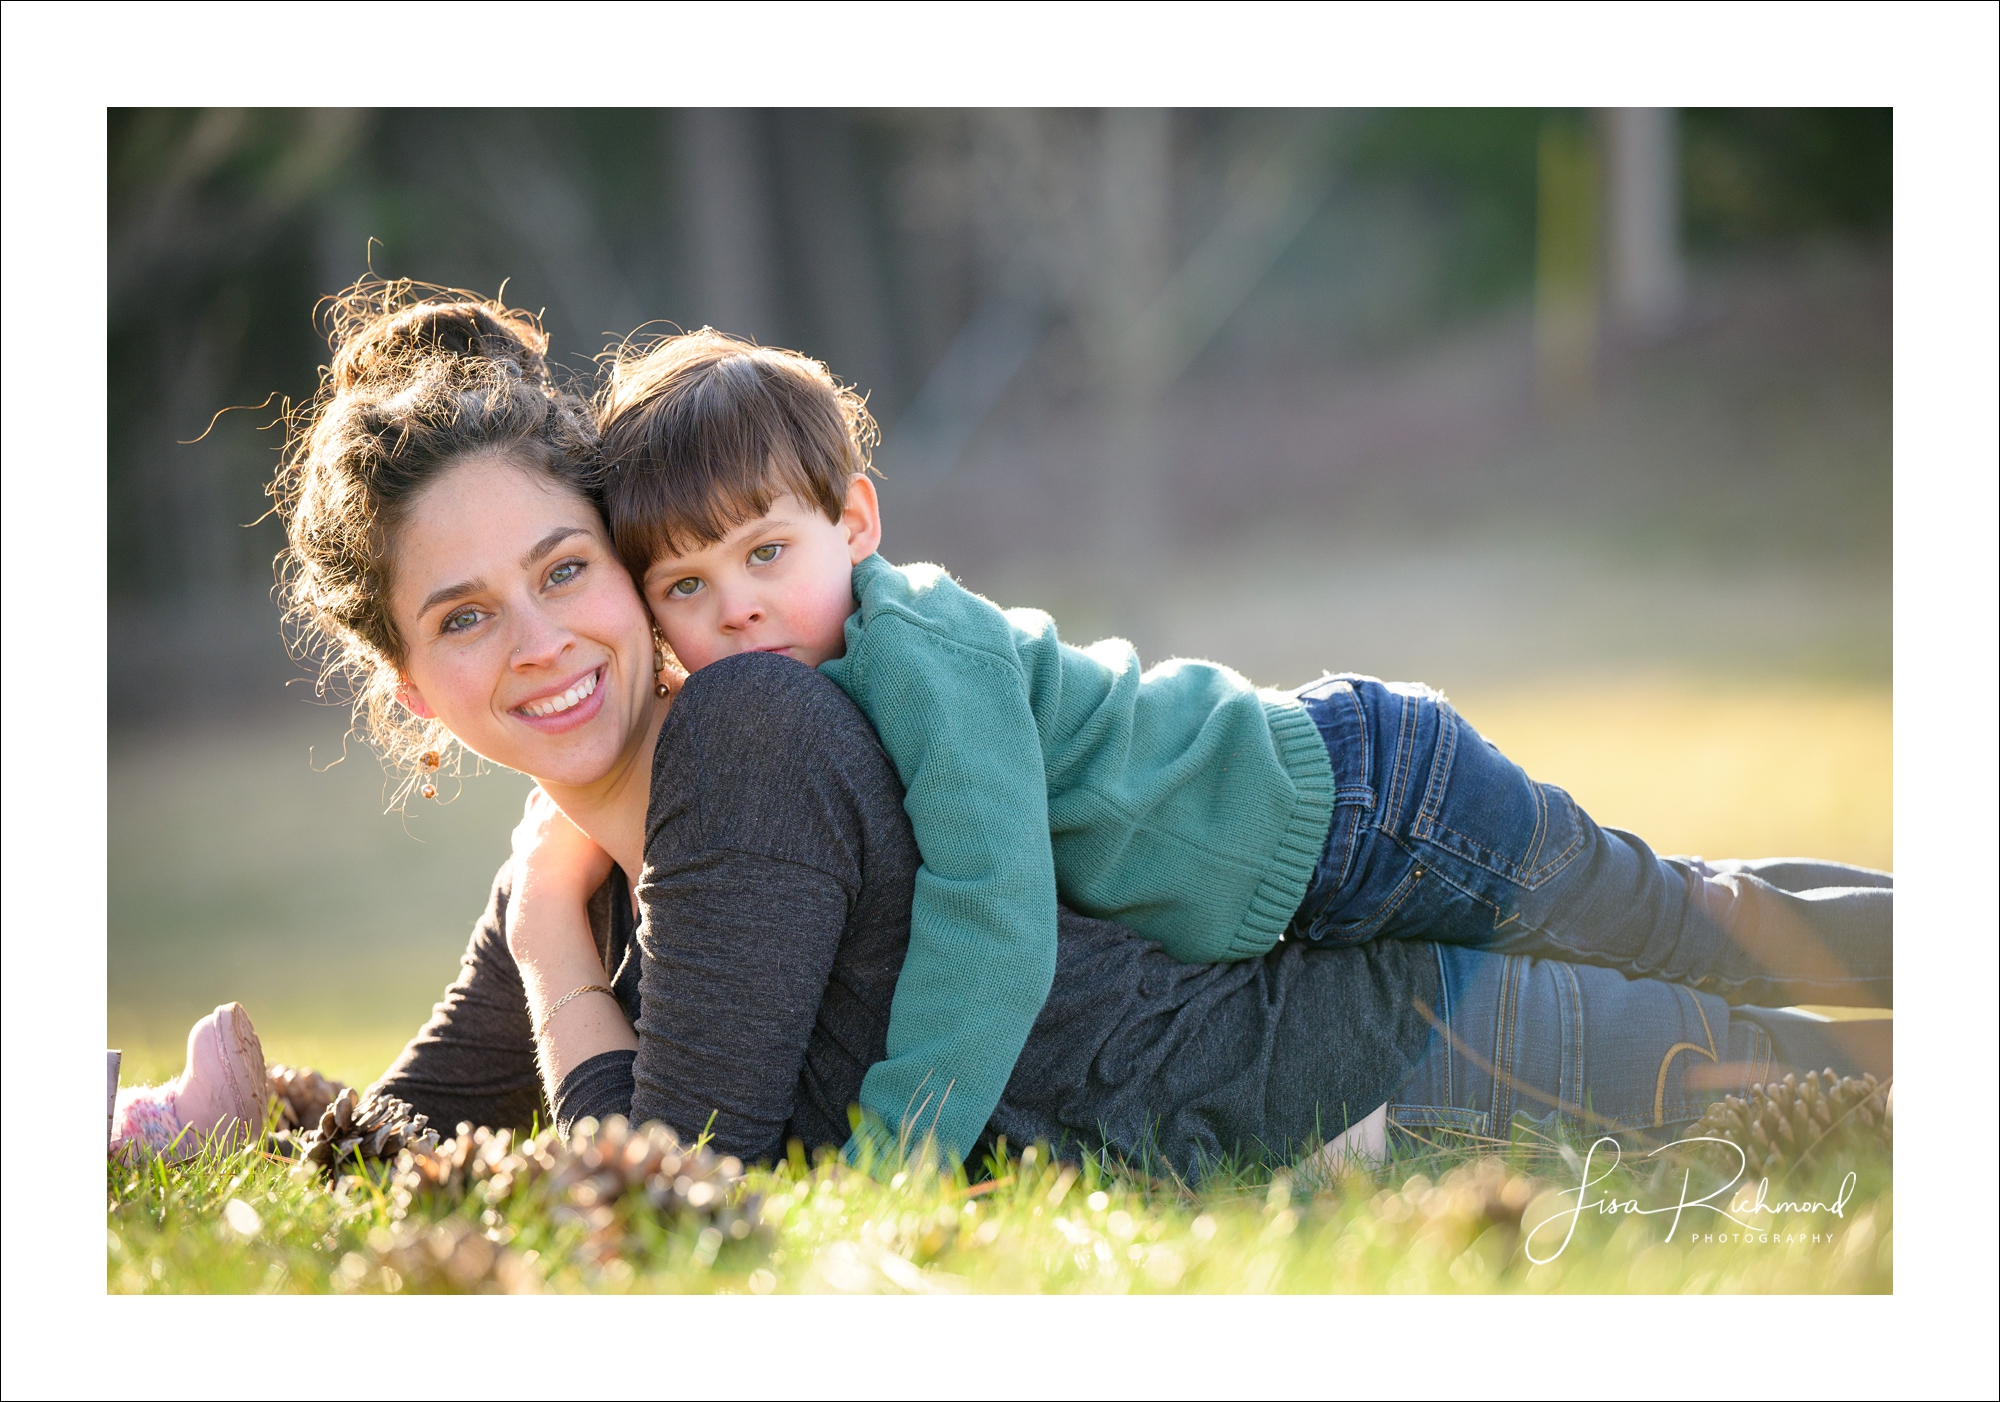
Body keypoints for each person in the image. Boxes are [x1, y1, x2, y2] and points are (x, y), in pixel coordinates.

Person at [113, 284, 1890, 1180]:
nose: (544, 639)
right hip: (1373, 1031)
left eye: (564, 565)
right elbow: (458, 1135)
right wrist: (232, 1126)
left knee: (1829, 1051)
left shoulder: (742, 740)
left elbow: (666, 1185)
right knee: (1766, 974)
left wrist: (561, 970)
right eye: (462, 615)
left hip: (1391, 1064)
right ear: (411, 689)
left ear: (619, 557)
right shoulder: (590, 849)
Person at [589, 328, 1895, 1165]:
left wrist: (899, 1153)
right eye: (685, 588)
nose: (737, 605)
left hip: (1371, 804)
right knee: (1666, 967)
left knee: (1673, 920)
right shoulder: (812, 693)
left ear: (856, 522)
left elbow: (993, 914)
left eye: (767, 553)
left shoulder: (920, 649)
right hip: (1320, 854)